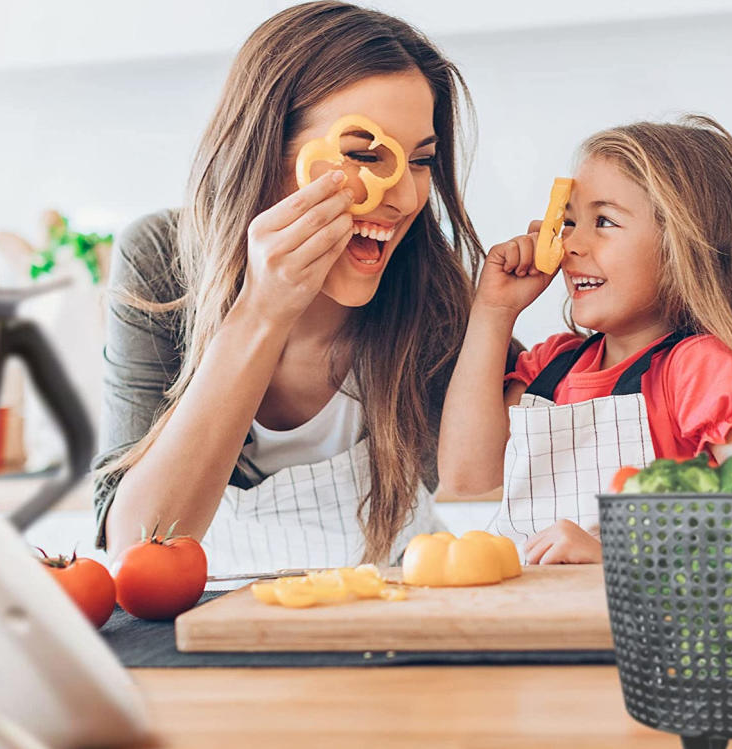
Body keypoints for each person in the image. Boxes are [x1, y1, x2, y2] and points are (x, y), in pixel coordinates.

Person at [93, 2, 514, 573]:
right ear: (265, 150)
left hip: (394, 627)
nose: (406, 198)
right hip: (210, 637)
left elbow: (501, 484)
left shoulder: (434, 296)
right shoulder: (162, 259)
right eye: (365, 154)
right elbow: (137, 549)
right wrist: (262, 310)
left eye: (420, 161)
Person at [438, 115, 732, 565]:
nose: (571, 245)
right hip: (539, 624)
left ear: (684, 247)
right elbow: (466, 478)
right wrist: (493, 311)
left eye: (604, 221)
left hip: (645, 629)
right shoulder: (552, 367)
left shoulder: (700, 369)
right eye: (569, 222)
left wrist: (615, 556)